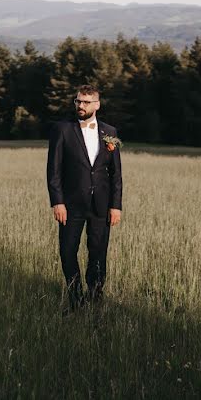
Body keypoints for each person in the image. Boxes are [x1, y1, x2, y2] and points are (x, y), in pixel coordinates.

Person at [46, 84, 123, 311]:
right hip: (70, 205)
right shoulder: (62, 129)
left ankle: (95, 298)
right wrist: (57, 201)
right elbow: (54, 170)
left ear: (97, 105)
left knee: (98, 252)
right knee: (67, 252)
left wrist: (115, 206)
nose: (81, 105)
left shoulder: (110, 133)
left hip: (101, 205)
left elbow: (116, 173)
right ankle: (75, 298)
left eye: (86, 102)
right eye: (78, 101)